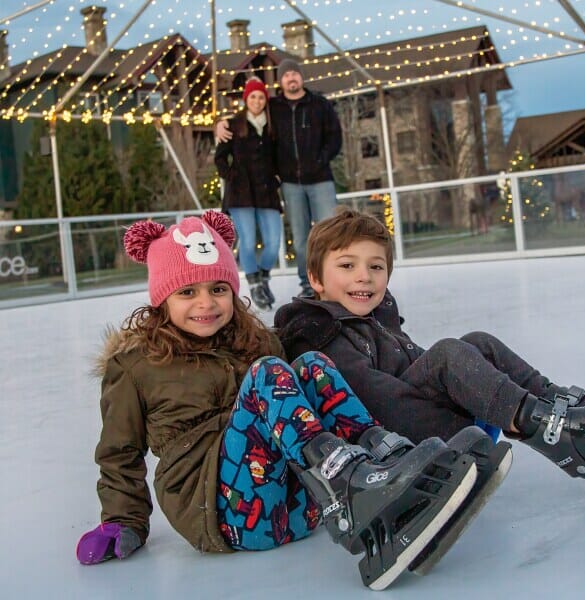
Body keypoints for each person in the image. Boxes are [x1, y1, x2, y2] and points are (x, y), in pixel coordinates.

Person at [74, 210, 487, 591]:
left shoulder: (254, 340)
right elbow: (120, 452)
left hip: (300, 507)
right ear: (161, 298)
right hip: (225, 514)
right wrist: (121, 521)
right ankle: (353, 490)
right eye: (187, 292)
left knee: (310, 363)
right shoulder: (137, 364)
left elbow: (312, 396)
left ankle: (381, 464)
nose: (206, 303)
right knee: (268, 372)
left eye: (218, 288)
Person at [274, 208, 585, 504]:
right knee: (449, 353)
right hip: (403, 447)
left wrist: (472, 387)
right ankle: (562, 435)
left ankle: (571, 413)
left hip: (437, 425)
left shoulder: (375, 318)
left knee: (477, 342)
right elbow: (375, 399)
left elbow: (418, 367)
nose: (364, 276)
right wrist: (459, 418)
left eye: (376, 267)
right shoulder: (319, 331)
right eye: (347, 265)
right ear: (316, 278)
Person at [217, 59, 343, 298]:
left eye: (295, 73)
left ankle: (334, 279)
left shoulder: (319, 104)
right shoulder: (274, 107)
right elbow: (245, 113)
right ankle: (308, 283)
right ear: (280, 80)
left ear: (301, 78)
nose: (291, 78)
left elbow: (335, 137)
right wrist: (219, 124)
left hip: (320, 179)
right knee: (300, 237)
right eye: (286, 75)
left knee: (330, 233)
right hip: (290, 184)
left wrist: (320, 159)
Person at [214, 77, 282, 310]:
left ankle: (263, 277)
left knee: (273, 242)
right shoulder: (234, 124)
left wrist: (278, 175)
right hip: (241, 194)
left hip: (266, 193)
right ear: (246, 99)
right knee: (249, 241)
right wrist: (231, 176)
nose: (257, 100)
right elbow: (220, 157)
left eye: (261, 96)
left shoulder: (272, 127)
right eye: (252, 96)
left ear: (265, 100)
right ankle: (254, 285)